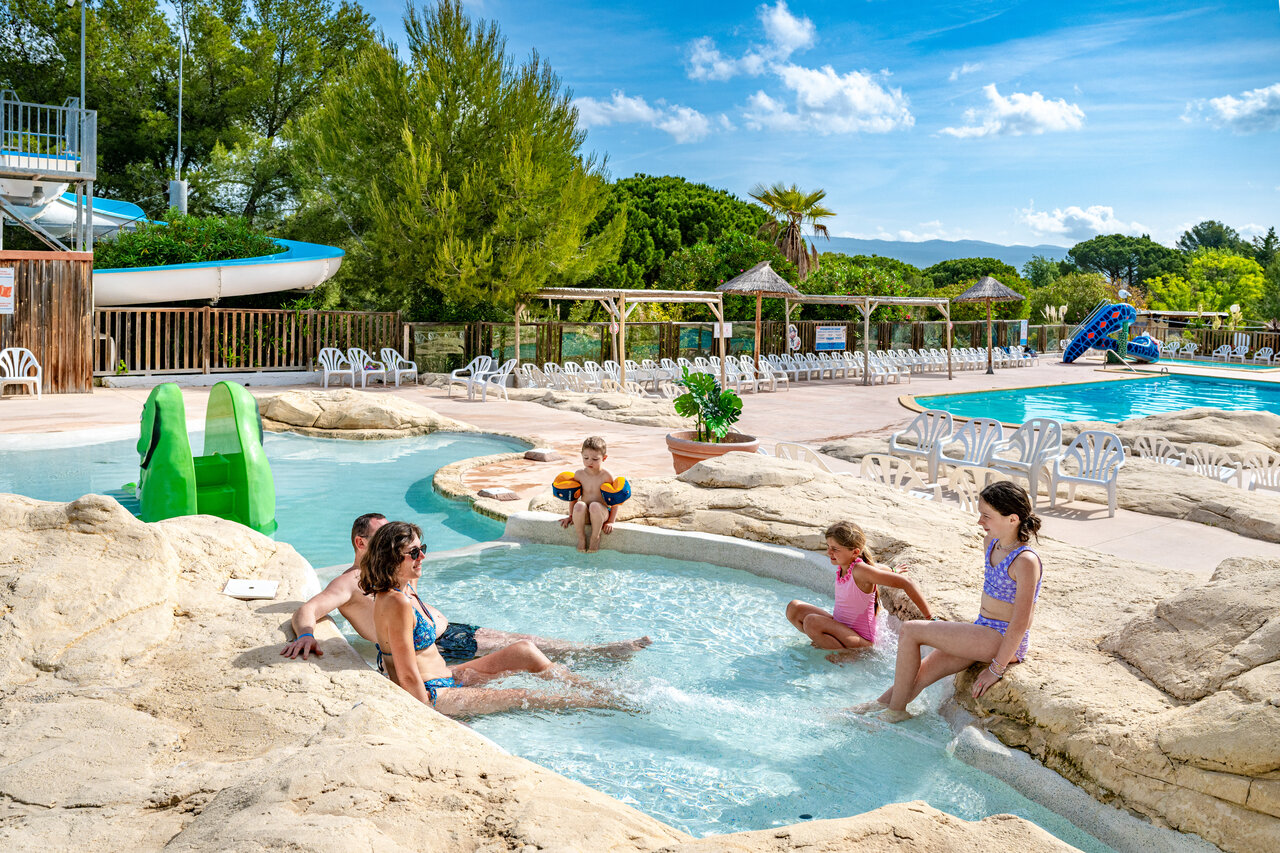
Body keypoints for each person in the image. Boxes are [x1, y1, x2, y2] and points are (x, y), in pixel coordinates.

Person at [282, 512, 650, 662]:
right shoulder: (351, 581)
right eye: (382, 537)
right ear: (361, 543)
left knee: (528, 641)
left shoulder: (392, 572)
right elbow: (307, 610)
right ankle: (600, 655)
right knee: (526, 655)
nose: (394, 543)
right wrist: (307, 634)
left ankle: (598, 652)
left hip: (450, 629)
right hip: (436, 647)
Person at [363, 521, 625, 715]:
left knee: (525, 651)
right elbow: (407, 676)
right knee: (525, 696)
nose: (423, 557)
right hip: (435, 695)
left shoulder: (405, 587)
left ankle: (597, 690)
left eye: (422, 549)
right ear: (391, 558)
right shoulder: (396, 602)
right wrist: (432, 720)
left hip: (449, 676)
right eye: (414, 553)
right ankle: (609, 704)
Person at [852, 480, 1043, 722]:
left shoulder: (1026, 561)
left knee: (911, 631)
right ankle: (877, 705)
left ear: (1012, 519)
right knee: (923, 673)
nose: (979, 522)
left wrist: (996, 668)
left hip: (1004, 638)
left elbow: (1021, 621)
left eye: (986, 516)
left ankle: (896, 713)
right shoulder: (991, 543)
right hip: (982, 629)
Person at [785, 521, 934, 657]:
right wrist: (893, 570)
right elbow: (876, 567)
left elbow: (906, 583)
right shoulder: (847, 566)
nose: (829, 552)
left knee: (812, 622)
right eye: (828, 547)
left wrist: (930, 618)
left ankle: (847, 655)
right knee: (794, 608)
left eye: (835, 549)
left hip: (861, 640)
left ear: (855, 552)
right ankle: (827, 641)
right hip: (842, 627)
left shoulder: (860, 571)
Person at [558, 436, 618, 552]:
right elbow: (573, 498)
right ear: (581, 455)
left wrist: (611, 521)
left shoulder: (607, 476)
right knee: (579, 505)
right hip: (584, 515)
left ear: (604, 458)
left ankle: (595, 537)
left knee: (595, 505)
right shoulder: (579, 475)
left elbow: (616, 500)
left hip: (601, 514)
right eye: (586, 458)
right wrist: (571, 516)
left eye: (595, 459)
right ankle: (581, 538)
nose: (589, 461)